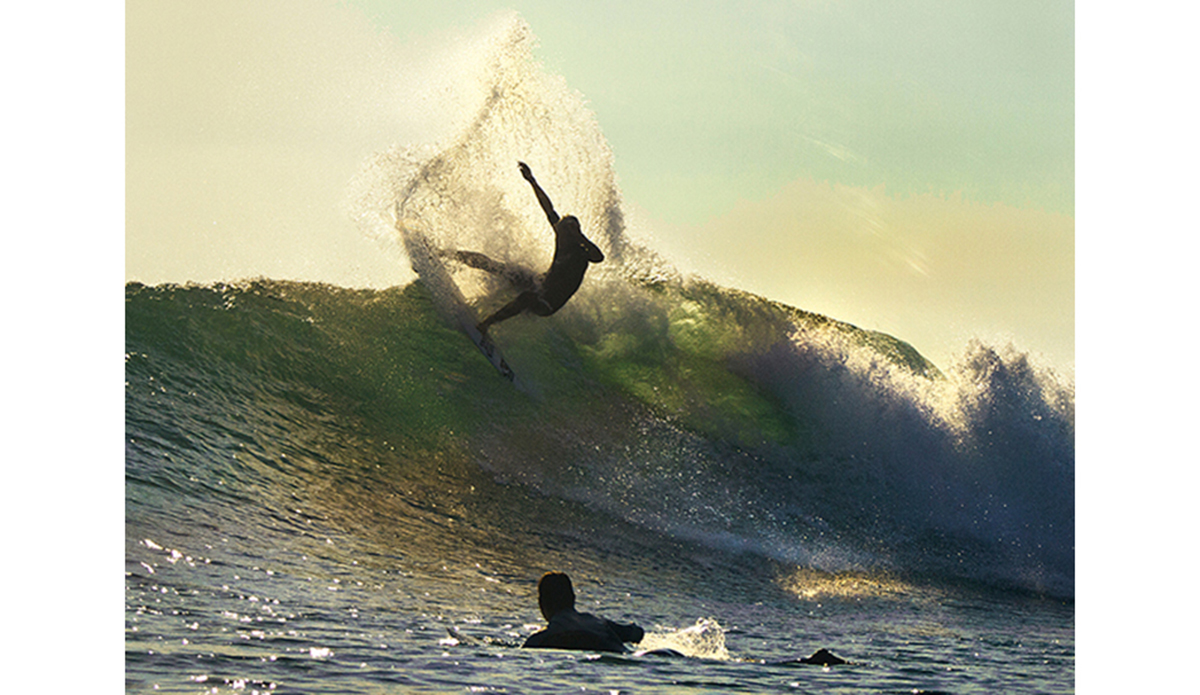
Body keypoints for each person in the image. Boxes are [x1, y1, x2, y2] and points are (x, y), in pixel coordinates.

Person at [451, 162, 605, 335]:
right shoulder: (561, 232)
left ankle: (486, 324)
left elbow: (599, 257)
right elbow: (548, 208)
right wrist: (532, 180)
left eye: (566, 230)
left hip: (548, 303)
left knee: (527, 298)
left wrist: (579, 236)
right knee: (503, 268)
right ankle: (446, 254)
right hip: (540, 284)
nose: (560, 232)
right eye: (561, 228)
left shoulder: (581, 253)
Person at [522, 572, 644, 653]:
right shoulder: (599, 623)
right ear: (573, 598)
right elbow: (637, 634)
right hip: (615, 650)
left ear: (541, 602)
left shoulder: (539, 639)